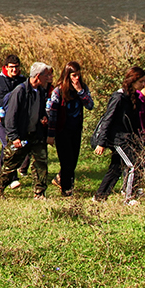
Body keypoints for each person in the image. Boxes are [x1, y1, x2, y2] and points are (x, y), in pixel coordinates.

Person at [90, 66, 145, 202]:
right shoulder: (119, 97)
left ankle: (99, 197)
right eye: (141, 81)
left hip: (127, 138)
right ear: (133, 80)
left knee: (116, 168)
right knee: (132, 165)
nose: (143, 85)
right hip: (116, 139)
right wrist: (101, 142)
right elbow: (107, 119)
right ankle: (129, 197)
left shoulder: (133, 97)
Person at [0, 62, 52, 197]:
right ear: (38, 76)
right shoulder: (20, 91)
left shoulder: (40, 91)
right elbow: (11, 117)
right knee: (10, 166)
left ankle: (39, 193)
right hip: (20, 136)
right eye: (46, 75)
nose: (49, 78)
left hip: (36, 135)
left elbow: (40, 111)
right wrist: (14, 137)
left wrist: (43, 117)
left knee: (41, 164)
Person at [45, 61, 93, 196]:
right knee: (66, 161)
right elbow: (52, 112)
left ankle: (62, 181)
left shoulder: (83, 88)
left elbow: (90, 105)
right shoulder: (58, 91)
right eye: (73, 75)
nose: (76, 78)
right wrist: (51, 134)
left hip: (76, 129)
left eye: (78, 75)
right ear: (67, 75)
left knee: (73, 161)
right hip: (62, 130)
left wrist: (80, 91)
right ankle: (67, 190)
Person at [0, 54, 25, 169]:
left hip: (16, 120)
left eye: (17, 67)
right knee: (9, 145)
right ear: (6, 67)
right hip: (0, 121)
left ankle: (0, 169)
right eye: (12, 67)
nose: (14, 69)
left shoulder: (23, 81)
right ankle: (12, 177)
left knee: (9, 146)